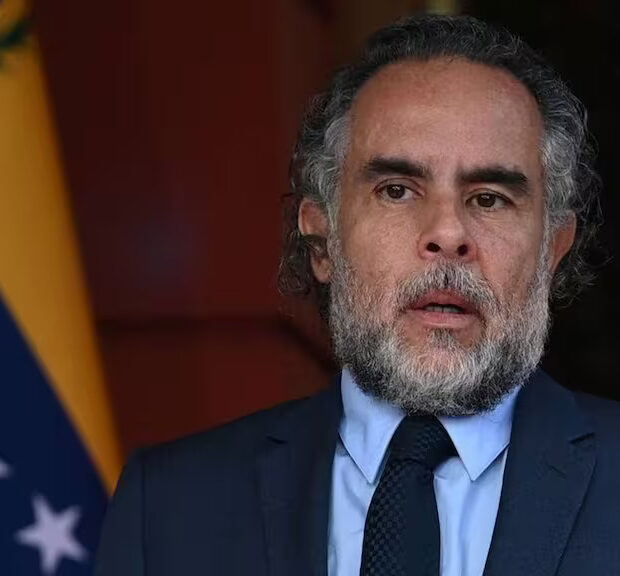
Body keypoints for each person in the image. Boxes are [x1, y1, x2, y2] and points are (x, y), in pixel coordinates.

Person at [95, 14, 620, 576]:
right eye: (396, 191)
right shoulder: (169, 508)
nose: (448, 233)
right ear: (322, 242)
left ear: (552, 249)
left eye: (490, 198)